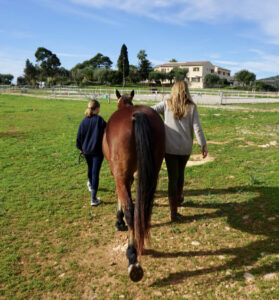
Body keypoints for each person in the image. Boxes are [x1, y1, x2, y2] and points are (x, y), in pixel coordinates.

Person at [152, 81, 208, 221]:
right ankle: (178, 199)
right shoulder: (192, 107)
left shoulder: (166, 104)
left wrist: (161, 120)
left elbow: (150, 111)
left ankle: (173, 212)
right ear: (186, 91)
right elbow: (197, 128)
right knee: (180, 174)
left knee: (172, 178)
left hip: (169, 148)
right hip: (185, 148)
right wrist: (203, 144)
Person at [76, 99, 106, 206]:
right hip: (97, 152)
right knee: (95, 173)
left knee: (90, 169)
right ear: (96, 108)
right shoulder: (100, 120)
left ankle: (90, 184)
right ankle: (93, 199)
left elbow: (79, 137)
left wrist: (81, 149)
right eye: (99, 108)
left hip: (87, 152)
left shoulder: (83, 121)